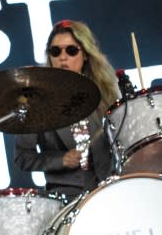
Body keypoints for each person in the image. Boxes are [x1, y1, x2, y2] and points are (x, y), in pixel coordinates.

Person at [14, 20, 120, 199]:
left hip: (111, 190)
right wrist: (60, 160)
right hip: (66, 197)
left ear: (85, 54)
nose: (63, 57)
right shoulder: (35, 102)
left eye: (71, 50)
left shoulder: (106, 93)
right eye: (55, 51)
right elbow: (22, 157)